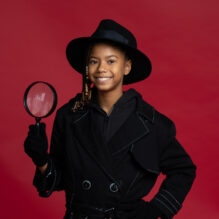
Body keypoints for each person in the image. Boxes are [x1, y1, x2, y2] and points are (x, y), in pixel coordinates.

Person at [24, 19, 197, 219]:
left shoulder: (153, 124)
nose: (101, 69)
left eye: (111, 61)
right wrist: (41, 160)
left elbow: (184, 170)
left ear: (127, 67)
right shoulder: (68, 115)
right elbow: (59, 180)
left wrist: (154, 211)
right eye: (93, 61)